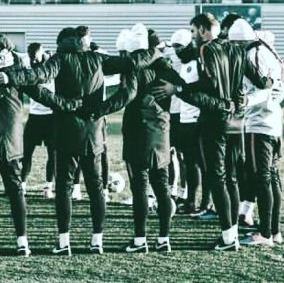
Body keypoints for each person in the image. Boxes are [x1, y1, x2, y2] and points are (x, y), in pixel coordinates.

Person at [0, 28, 80, 258]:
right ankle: (22, 242)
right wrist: (68, 104)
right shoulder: (16, 67)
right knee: (15, 190)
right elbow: (40, 93)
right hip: (11, 136)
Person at [152, 13, 260, 251]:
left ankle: (228, 237)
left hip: (215, 120)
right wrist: (245, 96)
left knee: (218, 178)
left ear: (202, 29)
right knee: (231, 179)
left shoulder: (206, 50)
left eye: (192, 32)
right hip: (237, 121)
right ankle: (231, 234)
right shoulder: (237, 49)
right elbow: (262, 81)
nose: (192, 37)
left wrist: (177, 88)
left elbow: (210, 86)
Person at [48, 26, 132, 255]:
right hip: (93, 131)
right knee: (95, 188)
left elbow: (42, 77)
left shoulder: (61, 58)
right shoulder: (98, 58)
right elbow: (126, 64)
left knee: (64, 188)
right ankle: (97, 240)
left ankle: (64, 242)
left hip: (66, 130)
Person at [102, 25, 177, 254]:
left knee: (140, 189)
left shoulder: (133, 67)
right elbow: (180, 82)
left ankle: (139, 239)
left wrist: (99, 109)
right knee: (162, 187)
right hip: (161, 129)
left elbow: (127, 95)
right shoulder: (163, 64)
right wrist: (174, 88)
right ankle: (164, 238)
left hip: (137, 131)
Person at [235, 26, 284, 248]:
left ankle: (265, 233)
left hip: (260, 124)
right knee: (271, 176)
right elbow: (282, 82)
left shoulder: (253, 54)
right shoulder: (268, 53)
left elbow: (264, 89)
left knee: (262, 178)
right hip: (273, 123)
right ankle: (274, 231)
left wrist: (246, 102)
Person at [165, 29, 211, 217]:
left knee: (202, 164)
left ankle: (205, 203)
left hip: (196, 119)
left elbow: (200, 89)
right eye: (174, 47)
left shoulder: (196, 63)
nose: (176, 51)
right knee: (189, 162)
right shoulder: (183, 63)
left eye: (178, 47)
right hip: (184, 118)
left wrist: (180, 90)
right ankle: (190, 200)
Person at [21, 43, 57, 200]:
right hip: (34, 115)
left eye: (35, 58)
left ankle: (48, 186)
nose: (33, 62)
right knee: (26, 152)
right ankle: (21, 185)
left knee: (52, 153)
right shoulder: (27, 62)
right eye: (31, 59)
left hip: (51, 116)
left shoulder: (53, 65)